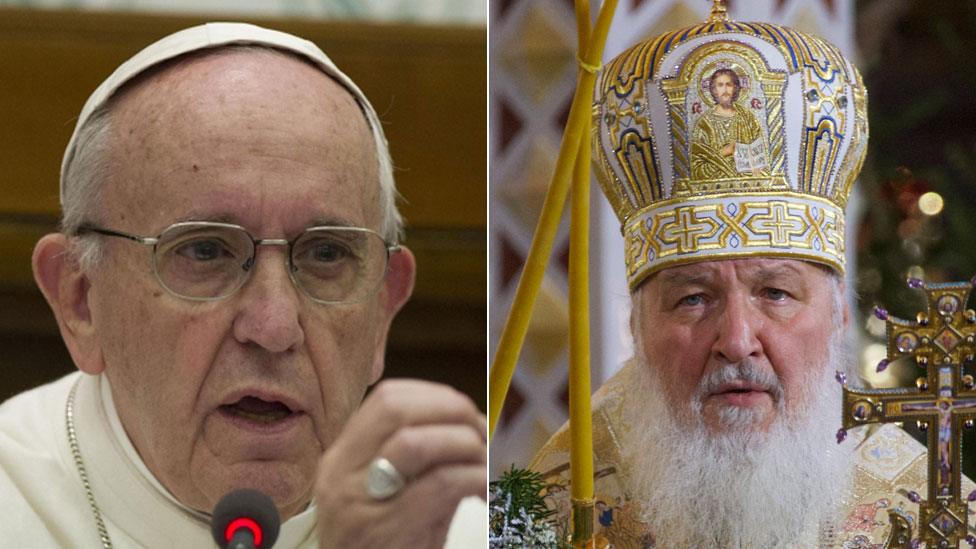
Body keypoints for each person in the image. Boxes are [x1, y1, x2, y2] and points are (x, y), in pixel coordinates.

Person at [0, 23, 486, 547]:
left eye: (326, 254)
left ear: (383, 310)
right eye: (205, 251)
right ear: (81, 301)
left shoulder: (464, 524)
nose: (274, 327)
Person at [530, 8, 973, 548]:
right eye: (693, 299)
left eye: (776, 294)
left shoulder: (932, 519)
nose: (737, 341)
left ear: (835, 315)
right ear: (637, 325)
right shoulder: (548, 513)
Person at [690, 67, 764, 180]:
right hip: (714, 181)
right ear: (713, 90)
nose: (725, 90)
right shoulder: (705, 123)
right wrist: (724, 152)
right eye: (720, 85)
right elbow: (696, 168)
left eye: (728, 85)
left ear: (735, 88)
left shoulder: (747, 118)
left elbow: (760, 154)